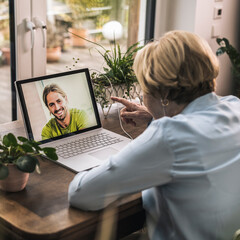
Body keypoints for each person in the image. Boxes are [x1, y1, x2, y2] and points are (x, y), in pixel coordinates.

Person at [68, 30, 240, 239]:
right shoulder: (234, 105)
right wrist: (153, 117)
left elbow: (81, 195)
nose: (142, 94)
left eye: (143, 87)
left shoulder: (169, 135)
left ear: (164, 95)